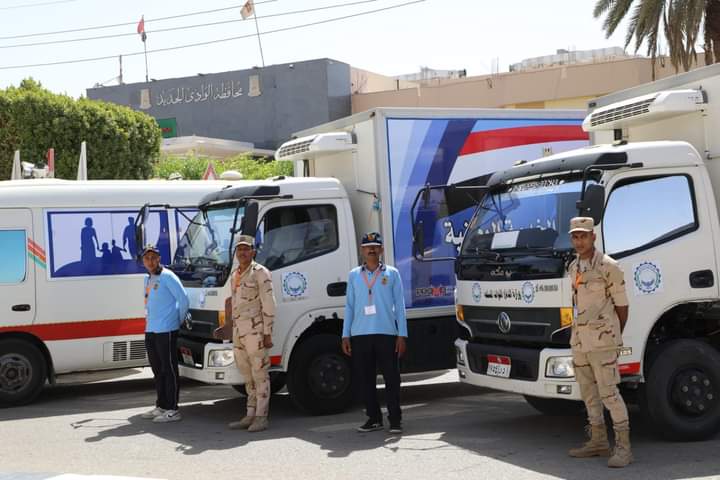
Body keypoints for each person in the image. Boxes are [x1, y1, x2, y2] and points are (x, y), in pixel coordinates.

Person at [566, 217, 632, 468]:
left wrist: (612, 335)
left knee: (609, 393)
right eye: (575, 236)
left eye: (583, 236)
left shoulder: (609, 266)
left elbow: (622, 307)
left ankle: (624, 448)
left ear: (593, 237)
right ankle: (599, 441)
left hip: (602, 341)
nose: (579, 241)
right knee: (588, 393)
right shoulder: (574, 267)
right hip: (580, 341)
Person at [342, 232, 407, 434]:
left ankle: (395, 419)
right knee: (366, 379)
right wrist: (345, 335)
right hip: (360, 334)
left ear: (381, 249)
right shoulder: (354, 275)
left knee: (392, 379)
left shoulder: (392, 273)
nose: (371, 249)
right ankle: (374, 418)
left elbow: (400, 305)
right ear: (362, 250)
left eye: (375, 246)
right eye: (367, 246)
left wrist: (402, 335)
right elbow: (349, 306)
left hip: (386, 333)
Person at [224, 235, 276, 433]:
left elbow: (269, 304)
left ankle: (261, 417)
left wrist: (268, 333)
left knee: (260, 373)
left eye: (246, 249)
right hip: (239, 332)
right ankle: (250, 413)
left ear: (253, 251)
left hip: (256, 331)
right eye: (239, 249)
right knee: (247, 374)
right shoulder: (235, 274)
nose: (242, 253)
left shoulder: (260, 273)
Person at [140, 244, 189, 423]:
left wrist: (177, 321)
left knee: (169, 369)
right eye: (147, 258)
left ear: (159, 259)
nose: (150, 261)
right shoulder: (147, 278)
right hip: (151, 329)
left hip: (166, 329)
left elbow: (183, 299)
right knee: (157, 369)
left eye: (153, 258)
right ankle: (161, 405)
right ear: (143, 261)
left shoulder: (168, 276)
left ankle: (173, 409)